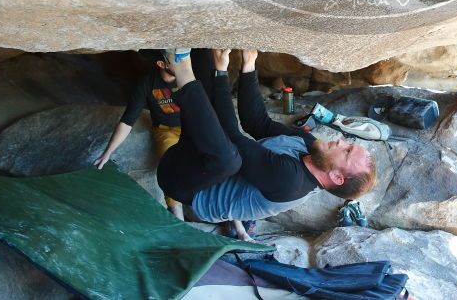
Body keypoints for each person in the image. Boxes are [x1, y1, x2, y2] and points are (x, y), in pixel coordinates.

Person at [156, 48, 377, 240]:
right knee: (206, 61)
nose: (340, 140)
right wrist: (248, 64)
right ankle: (183, 50)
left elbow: (232, 135)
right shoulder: (310, 147)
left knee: (230, 160)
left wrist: (222, 75)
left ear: (338, 178)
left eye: (346, 151)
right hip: (198, 157)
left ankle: (181, 68)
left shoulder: (290, 180)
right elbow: (257, 122)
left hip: (185, 184)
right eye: (348, 143)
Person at [94, 49, 216, 220]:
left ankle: (232, 221)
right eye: (177, 59)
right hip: (166, 129)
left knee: (216, 158)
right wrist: (108, 152)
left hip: (192, 126)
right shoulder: (147, 82)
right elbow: (128, 120)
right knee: (172, 168)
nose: (182, 63)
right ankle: (179, 220)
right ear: (162, 64)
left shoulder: (189, 75)